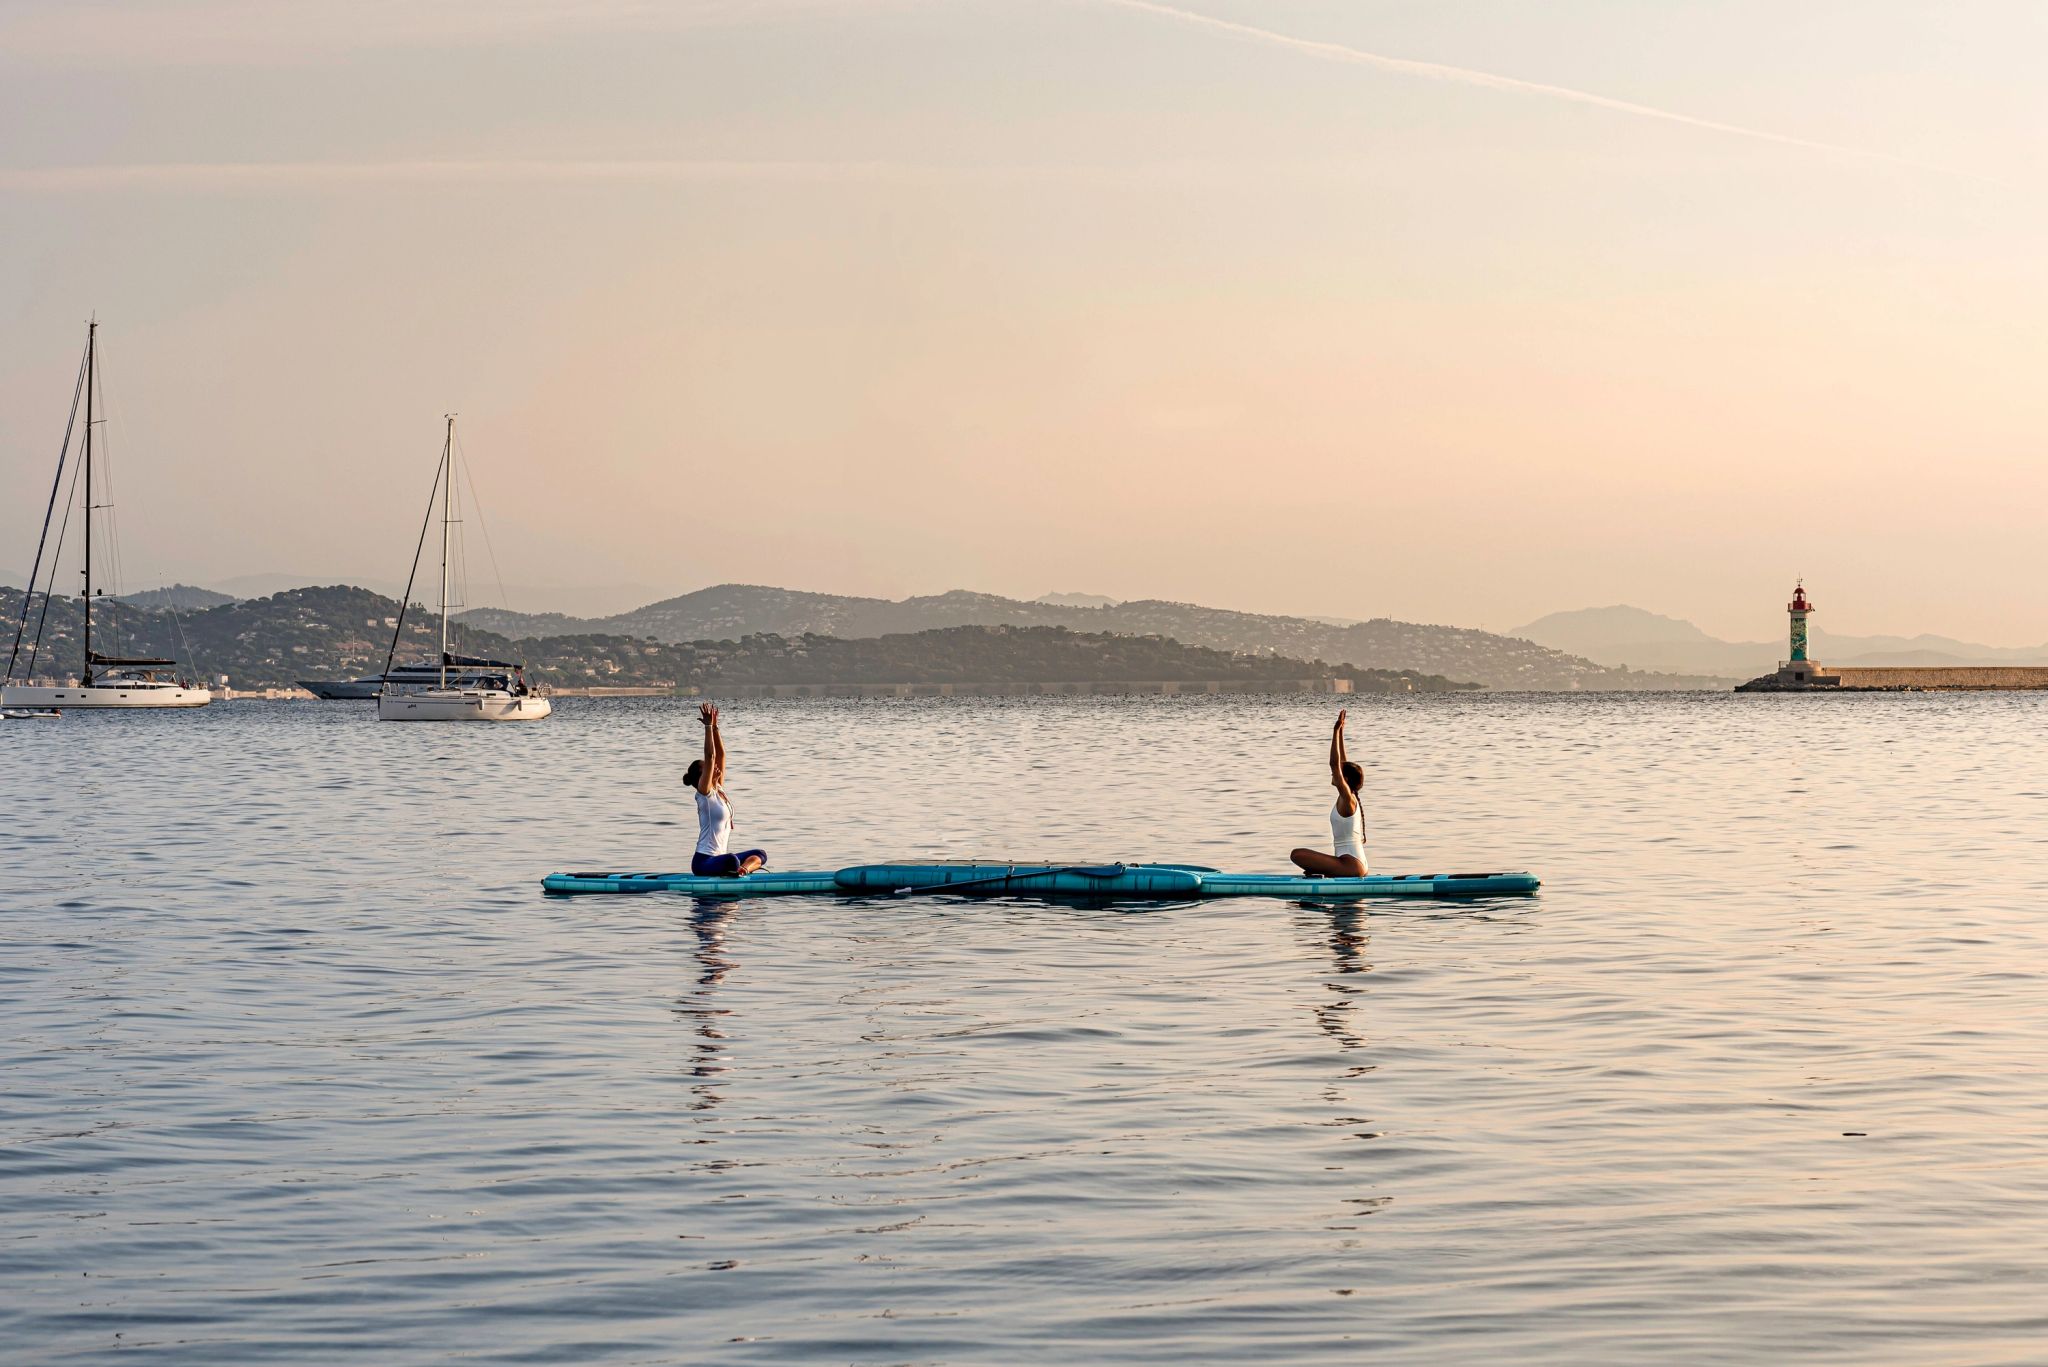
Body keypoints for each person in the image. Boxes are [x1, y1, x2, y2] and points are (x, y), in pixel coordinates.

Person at [687, 703, 767, 877]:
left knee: (760, 854)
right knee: (731, 859)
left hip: (719, 860)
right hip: (704, 862)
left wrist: (715, 728)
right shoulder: (704, 794)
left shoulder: (719, 789)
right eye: (708, 768)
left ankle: (742, 871)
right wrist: (707, 727)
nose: (714, 767)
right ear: (703, 777)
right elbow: (711, 756)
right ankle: (736, 867)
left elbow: (720, 756)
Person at [1290, 708, 1368, 877]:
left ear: (1345, 779)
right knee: (1302, 858)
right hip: (1350, 863)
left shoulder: (1348, 799)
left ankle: (1327, 875)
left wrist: (1333, 731)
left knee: (1296, 855)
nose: (1334, 774)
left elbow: (1335, 764)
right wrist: (1340, 731)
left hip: (1352, 866)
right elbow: (1342, 763)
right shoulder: (1347, 797)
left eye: (1339, 774)